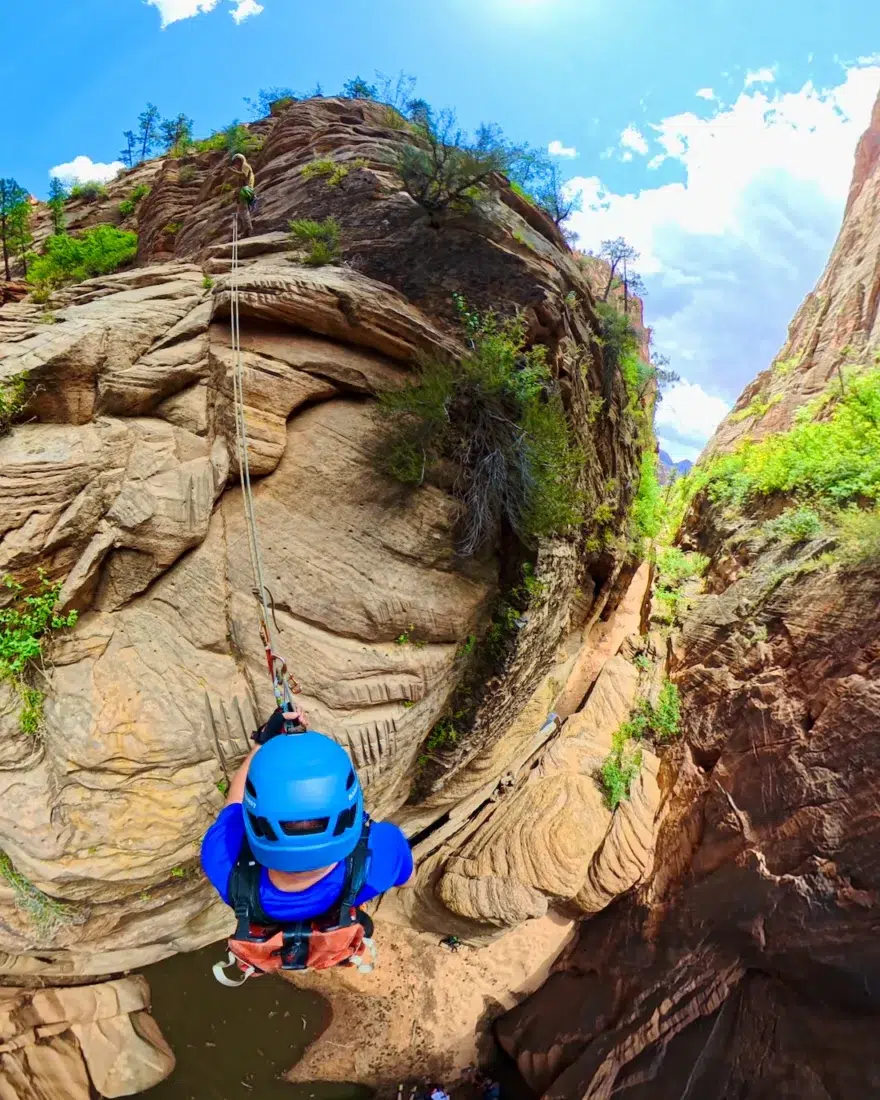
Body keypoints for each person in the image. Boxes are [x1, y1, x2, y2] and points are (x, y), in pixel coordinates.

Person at [201, 706, 413, 979]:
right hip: (338, 916)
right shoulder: (384, 852)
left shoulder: (222, 857)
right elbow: (408, 880)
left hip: (262, 918)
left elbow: (235, 803)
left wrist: (263, 742)